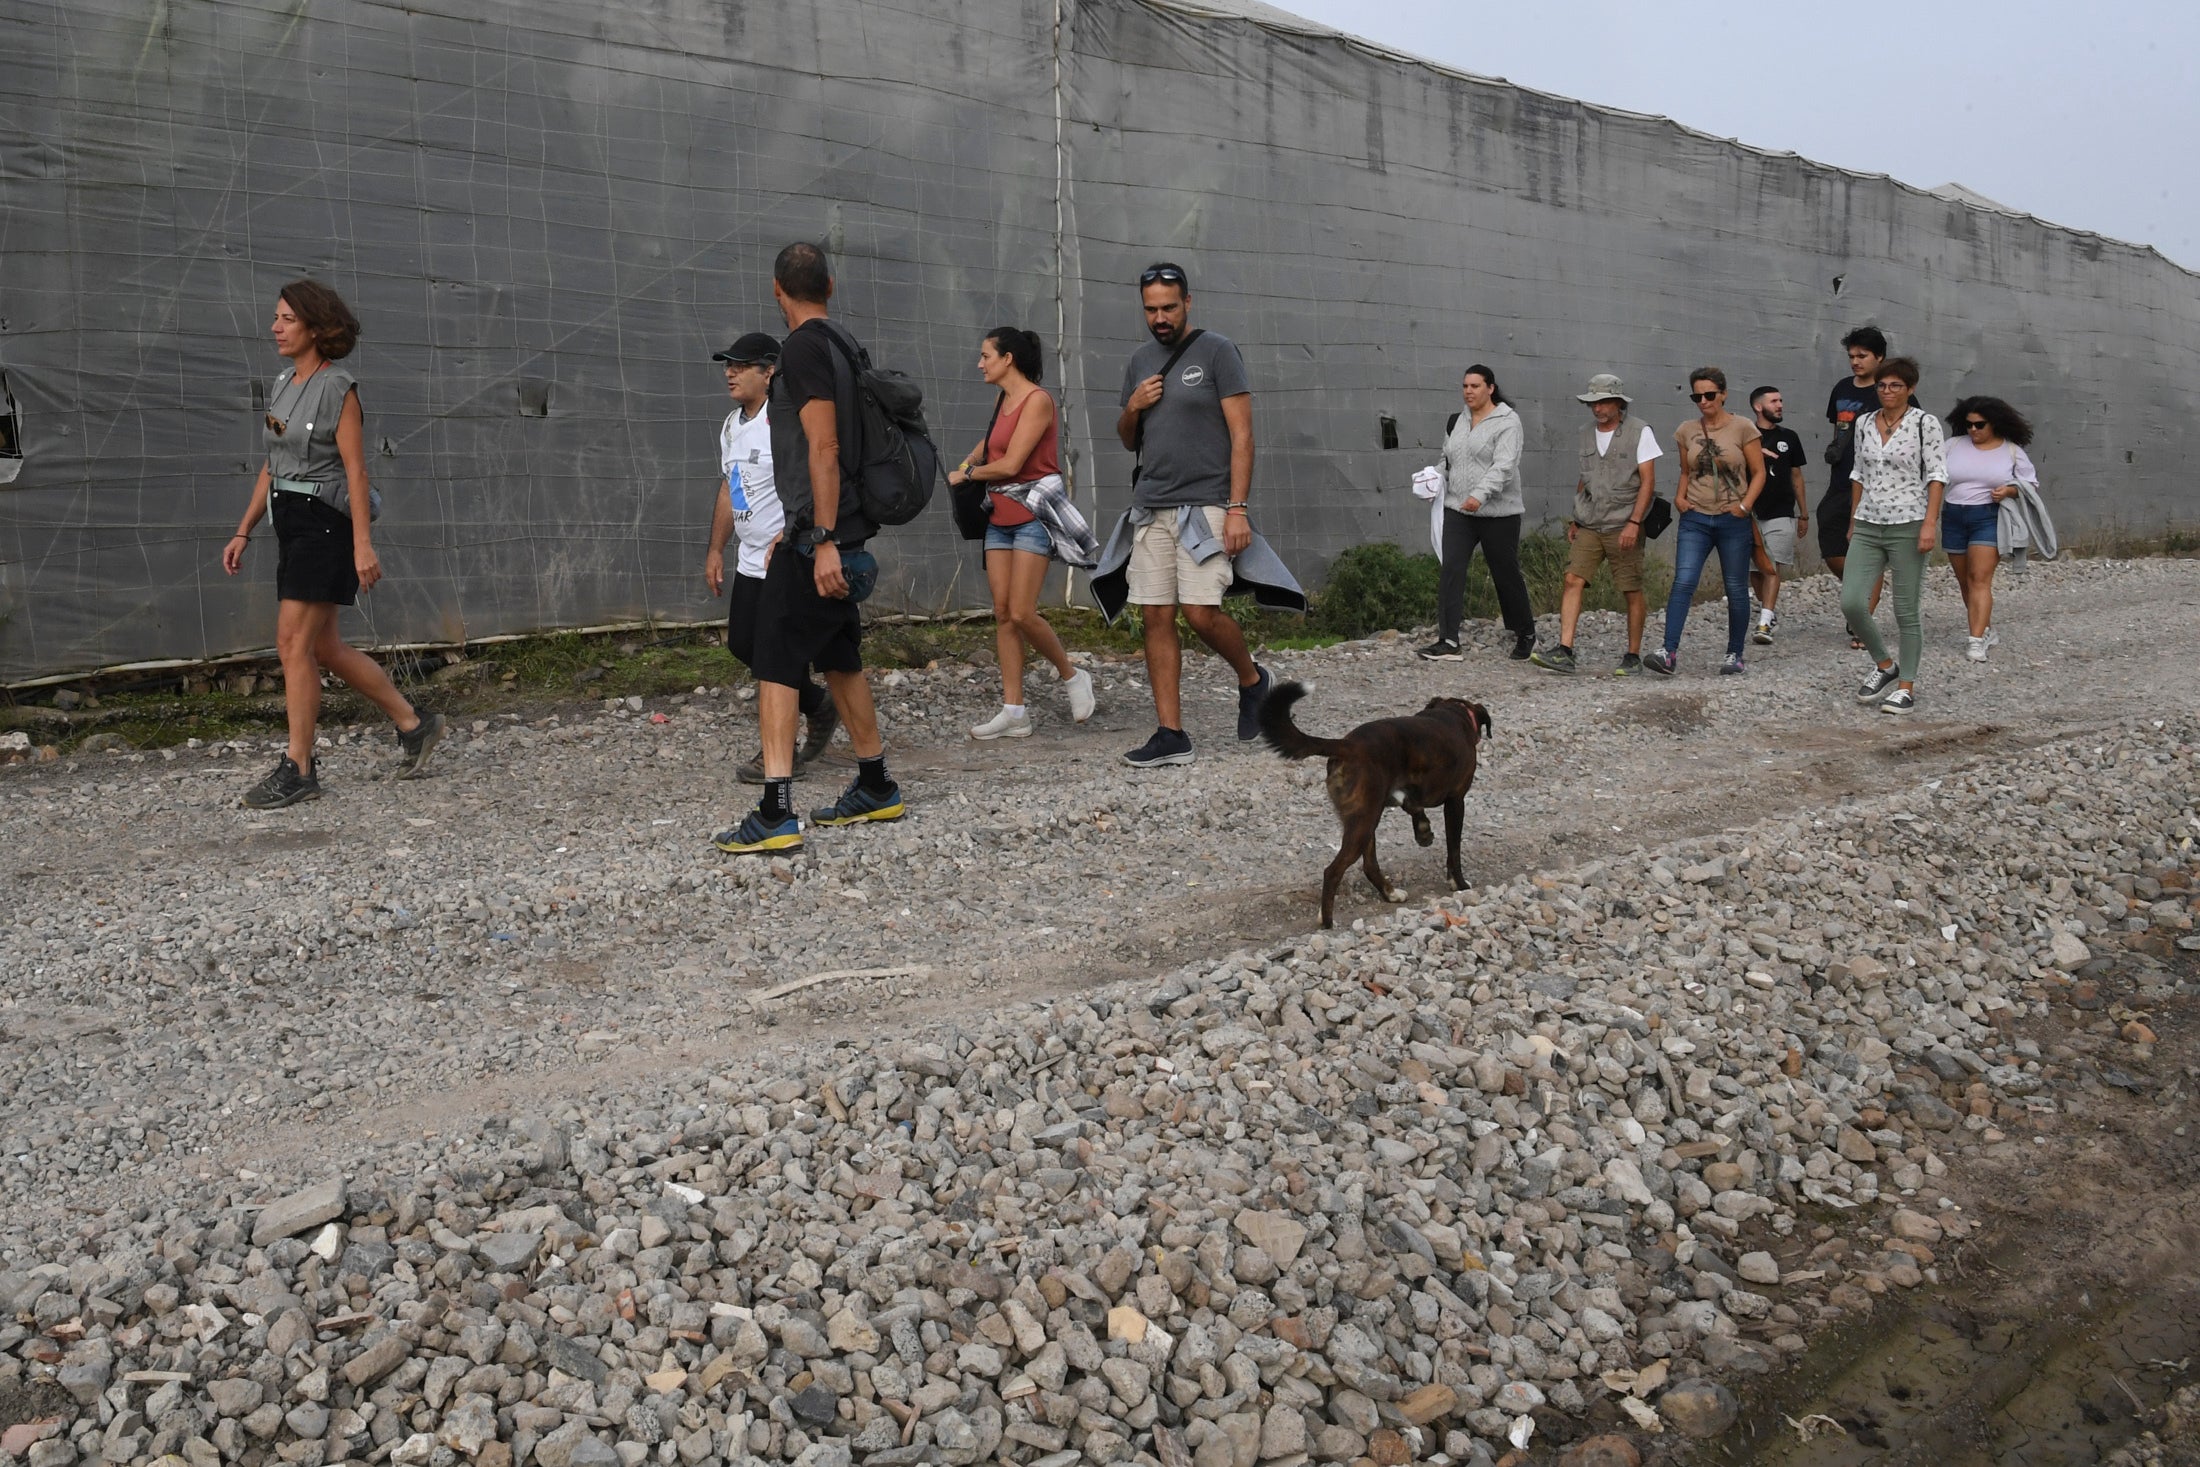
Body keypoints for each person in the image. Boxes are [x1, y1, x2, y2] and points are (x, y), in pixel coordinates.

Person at [221, 280, 443, 808]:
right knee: (322, 647)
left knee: (292, 644)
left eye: (287, 320)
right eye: (275, 318)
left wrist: (362, 544)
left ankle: (298, 768)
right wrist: (243, 528)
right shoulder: (281, 384)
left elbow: (356, 470)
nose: (275, 327)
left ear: (317, 328)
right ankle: (415, 726)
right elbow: (273, 465)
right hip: (289, 520)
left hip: (327, 522)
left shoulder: (338, 387)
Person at [713, 242, 903, 854]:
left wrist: (817, 539)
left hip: (821, 535)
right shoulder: (845, 343)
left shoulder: (802, 348)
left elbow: (823, 449)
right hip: (836, 527)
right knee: (838, 654)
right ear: (831, 284)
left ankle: (775, 810)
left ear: (777, 290)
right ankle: (875, 784)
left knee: (774, 660)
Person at [1106, 262, 1273, 768]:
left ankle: (1253, 679)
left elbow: (1242, 434)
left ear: (1188, 302)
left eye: (1168, 307)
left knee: (1201, 613)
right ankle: (1170, 733)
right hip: (1152, 505)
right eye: (1150, 309)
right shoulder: (1138, 360)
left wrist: (1238, 507)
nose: (1159, 317)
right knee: (1155, 613)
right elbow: (1128, 438)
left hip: (1208, 504)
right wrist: (1133, 406)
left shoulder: (1218, 351)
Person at [944, 327, 1097, 738]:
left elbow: (1011, 465)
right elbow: (992, 440)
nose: (980, 363)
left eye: (986, 356)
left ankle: (1072, 675)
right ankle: (1015, 711)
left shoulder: (1038, 401)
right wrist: (969, 459)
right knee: (1002, 613)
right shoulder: (1003, 399)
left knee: (1022, 612)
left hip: (1033, 513)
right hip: (999, 517)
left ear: (1008, 358)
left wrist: (968, 474)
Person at [702, 331, 838, 782]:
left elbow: (812, 475)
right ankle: (818, 705)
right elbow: (729, 486)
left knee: (775, 657)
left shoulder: (783, 421)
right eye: (728, 365)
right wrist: (717, 548)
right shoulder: (731, 424)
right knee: (744, 643)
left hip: (782, 556)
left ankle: (780, 757)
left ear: (769, 371)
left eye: (741, 365)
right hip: (748, 558)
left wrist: (794, 530)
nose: (730, 372)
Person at [1528, 373, 1658, 675]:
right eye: (1592, 403)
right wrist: (1576, 518)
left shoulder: (1640, 431)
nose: (1596, 409)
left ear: (1617, 402)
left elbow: (1648, 481)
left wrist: (1635, 522)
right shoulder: (1585, 433)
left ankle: (1632, 655)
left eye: (1601, 402)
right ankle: (1565, 650)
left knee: (1630, 588)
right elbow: (1586, 476)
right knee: (1573, 579)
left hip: (1623, 522)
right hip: (1590, 522)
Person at [1644, 368, 1765, 677]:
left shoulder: (1743, 427)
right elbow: (1686, 470)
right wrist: (1679, 498)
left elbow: (1758, 472)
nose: (1703, 401)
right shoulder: (1687, 430)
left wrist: (1744, 505)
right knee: (1683, 581)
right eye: (1697, 396)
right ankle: (1668, 651)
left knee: (1736, 586)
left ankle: (1735, 653)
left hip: (1732, 518)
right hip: (1695, 517)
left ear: (1723, 394)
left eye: (1710, 395)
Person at [1844, 357, 1948, 714]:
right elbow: (1858, 472)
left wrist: (1930, 523)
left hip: (1909, 521)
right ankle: (1886, 665)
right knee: (1852, 602)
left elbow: (1936, 474)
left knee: (1906, 610)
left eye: (1895, 386)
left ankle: (1906, 686)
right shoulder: (1863, 424)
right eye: (1882, 386)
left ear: (1910, 389)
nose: (1887, 392)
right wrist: (1853, 519)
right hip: (1869, 521)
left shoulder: (1925, 424)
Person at [1417, 365, 1535, 662]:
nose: (1468, 391)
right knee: (1451, 568)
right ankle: (1448, 640)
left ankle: (1525, 632)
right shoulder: (1457, 420)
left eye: (1475, 386)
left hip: (1499, 514)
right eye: (1465, 386)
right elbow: (1449, 459)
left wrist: (1478, 496)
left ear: (1490, 388)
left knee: (1505, 573)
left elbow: (1504, 467)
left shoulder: (1508, 422)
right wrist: (1433, 477)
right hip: (1459, 510)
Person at [1941, 395, 2036, 662]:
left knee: (1979, 578)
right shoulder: (1952, 445)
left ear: (1995, 423)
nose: (1973, 430)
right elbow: (1934, 476)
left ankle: (1975, 640)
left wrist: (2009, 490)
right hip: (1953, 515)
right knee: (1964, 582)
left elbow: (2030, 485)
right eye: (1969, 424)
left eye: (1980, 425)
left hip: (1989, 517)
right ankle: (1985, 629)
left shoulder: (2011, 451)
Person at [1818, 326, 1887, 643]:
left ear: (1879, 357)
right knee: (1832, 545)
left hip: (1876, 483)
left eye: (1862, 356)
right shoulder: (1842, 387)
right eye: (1851, 356)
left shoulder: (1891, 391)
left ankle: (1863, 626)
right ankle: (1862, 589)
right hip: (1841, 479)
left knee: (1867, 546)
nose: (1855, 362)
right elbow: (1839, 429)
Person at [1746, 385, 1809, 645]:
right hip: (1749, 513)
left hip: (1781, 512)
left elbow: (1796, 475)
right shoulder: (1744, 435)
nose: (1780, 405)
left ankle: (1764, 620)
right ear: (1758, 407)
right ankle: (1768, 609)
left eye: (1781, 400)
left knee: (1772, 567)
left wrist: (1803, 513)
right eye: (1774, 401)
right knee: (1754, 570)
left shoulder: (1790, 437)